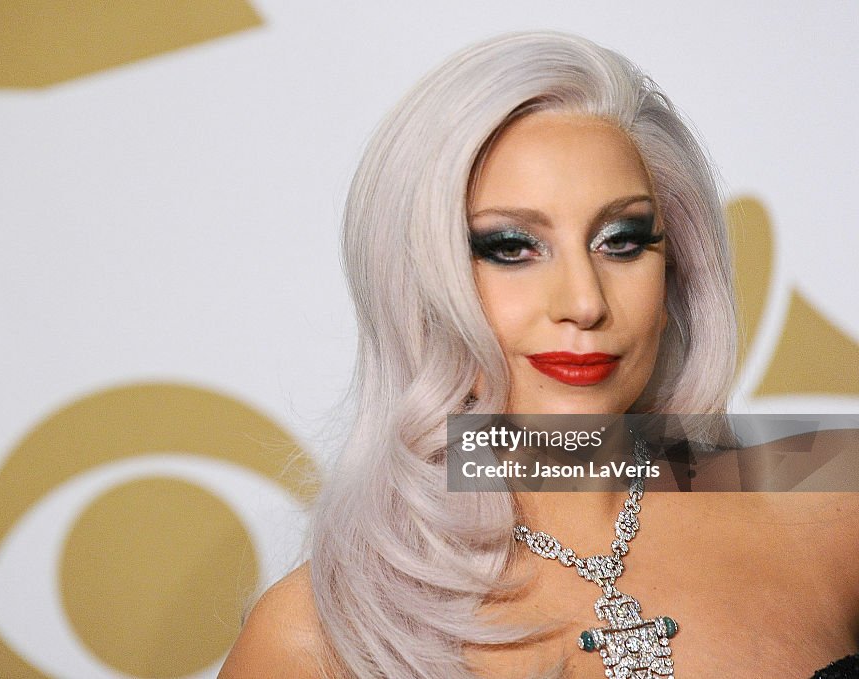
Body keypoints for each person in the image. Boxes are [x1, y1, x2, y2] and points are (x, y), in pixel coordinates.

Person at [219, 32, 859, 678]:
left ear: (674, 274)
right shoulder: (311, 640)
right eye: (513, 247)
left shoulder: (835, 504)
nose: (584, 301)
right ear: (419, 285)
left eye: (622, 241)